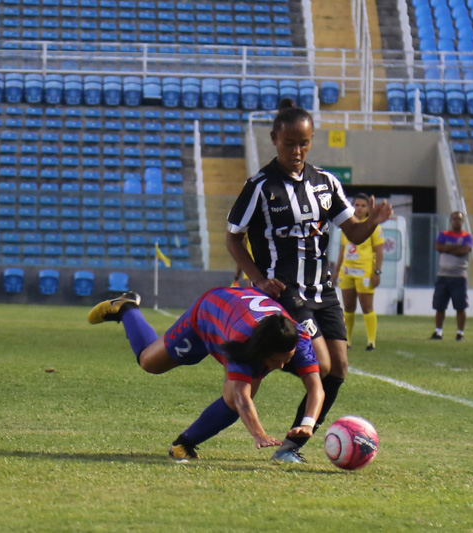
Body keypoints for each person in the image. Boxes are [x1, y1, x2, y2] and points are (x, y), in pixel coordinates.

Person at [226, 98, 392, 463]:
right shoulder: (260, 187)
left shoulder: (325, 183)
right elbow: (233, 238)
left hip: (323, 290)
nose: (297, 150)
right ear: (274, 139)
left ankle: (292, 445)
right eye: (289, 143)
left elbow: (356, 232)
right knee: (323, 364)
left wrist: (374, 220)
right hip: (286, 290)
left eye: (304, 143)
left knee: (339, 369)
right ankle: (261, 363)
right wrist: (257, 279)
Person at [87, 288, 325, 461]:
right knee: (150, 363)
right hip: (208, 314)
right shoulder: (242, 341)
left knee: (233, 397)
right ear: (260, 351)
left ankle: (184, 444)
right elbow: (242, 397)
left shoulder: (298, 340)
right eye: (275, 361)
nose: (282, 366)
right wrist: (259, 434)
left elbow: (316, 387)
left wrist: (307, 423)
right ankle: (126, 306)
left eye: (288, 359)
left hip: (234, 314)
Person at [335, 193, 385, 351]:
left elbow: (378, 251)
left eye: (363, 205)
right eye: (356, 205)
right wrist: (336, 271)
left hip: (364, 271)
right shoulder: (348, 226)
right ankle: (347, 341)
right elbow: (342, 251)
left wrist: (377, 271)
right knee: (348, 306)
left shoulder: (373, 226)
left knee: (366, 307)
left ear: (369, 209)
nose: (359, 208)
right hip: (347, 270)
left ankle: (371, 341)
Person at [429, 211, 473, 341]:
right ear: (450, 220)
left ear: (463, 221)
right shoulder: (443, 234)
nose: (456, 221)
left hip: (459, 276)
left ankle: (460, 333)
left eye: (459, 219)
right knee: (439, 306)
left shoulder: (467, 236)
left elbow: (464, 251)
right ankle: (438, 332)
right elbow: (438, 247)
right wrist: (456, 248)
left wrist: (447, 248)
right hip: (443, 275)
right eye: (454, 219)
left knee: (460, 306)